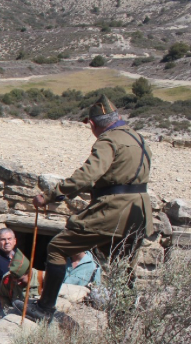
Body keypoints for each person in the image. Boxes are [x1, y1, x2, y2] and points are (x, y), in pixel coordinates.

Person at [24, 95, 152, 322]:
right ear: (118, 117)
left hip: (114, 210)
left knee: (57, 248)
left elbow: (87, 175)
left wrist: (50, 195)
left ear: (92, 124)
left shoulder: (108, 141)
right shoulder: (138, 138)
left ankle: (45, 307)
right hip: (140, 211)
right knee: (123, 266)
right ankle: (123, 321)